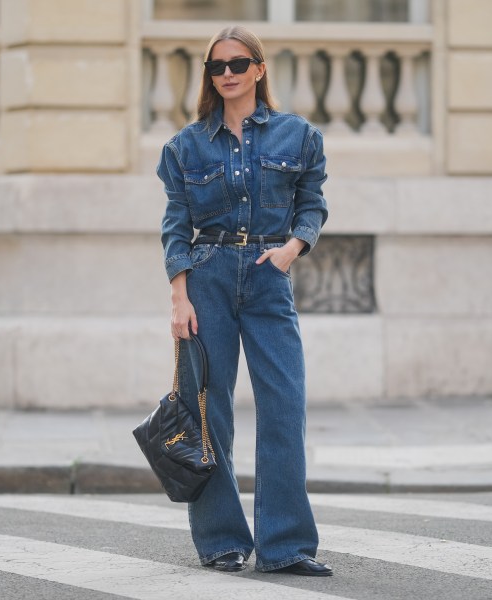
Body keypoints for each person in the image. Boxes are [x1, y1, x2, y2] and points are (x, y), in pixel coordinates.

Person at [157, 24, 332, 576]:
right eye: (217, 66)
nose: (228, 73)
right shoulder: (185, 146)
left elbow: (312, 203)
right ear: (209, 75)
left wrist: (291, 250)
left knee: (284, 405)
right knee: (209, 412)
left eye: (238, 63)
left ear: (259, 68)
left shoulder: (297, 135)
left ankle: (285, 546)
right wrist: (179, 296)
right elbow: (176, 225)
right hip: (206, 278)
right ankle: (221, 540)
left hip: (267, 275)